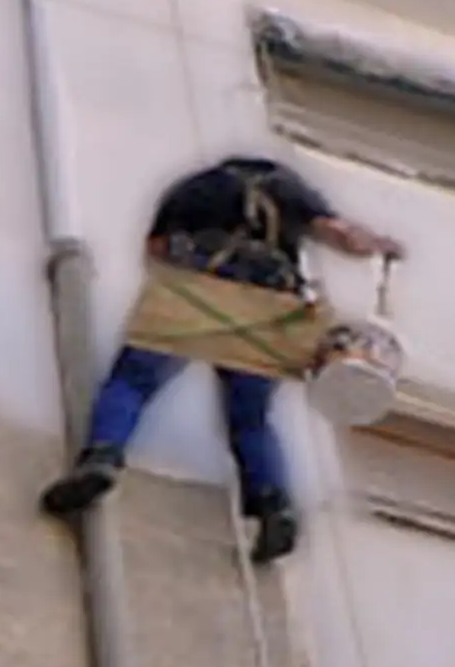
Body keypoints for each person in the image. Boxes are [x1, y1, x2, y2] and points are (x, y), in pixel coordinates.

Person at [38, 155, 405, 564]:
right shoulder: (288, 190)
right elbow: (341, 236)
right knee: (250, 418)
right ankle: (273, 504)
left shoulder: (191, 190)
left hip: (195, 291)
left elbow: (157, 250)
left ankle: (102, 456)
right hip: (267, 309)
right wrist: (379, 245)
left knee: (133, 382)